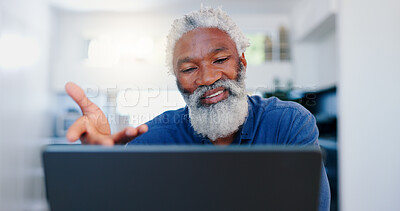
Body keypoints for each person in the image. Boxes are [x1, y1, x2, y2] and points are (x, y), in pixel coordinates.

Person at [65, 7, 330, 211]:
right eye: (190, 69)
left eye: (220, 59)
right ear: (178, 81)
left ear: (243, 62)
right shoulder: (152, 140)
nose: (207, 78)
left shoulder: (288, 123)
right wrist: (99, 167)